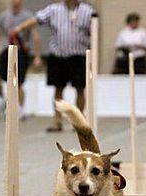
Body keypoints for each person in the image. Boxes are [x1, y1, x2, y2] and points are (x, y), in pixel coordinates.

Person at [11, 0, 96, 132]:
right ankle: (57, 120)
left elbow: (95, 31)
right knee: (58, 90)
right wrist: (19, 28)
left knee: (79, 89)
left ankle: (79, 122)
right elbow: (37, 19)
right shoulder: (54, 9)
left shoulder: (88, 11)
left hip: (78, 56)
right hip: (58, 56)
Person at [0, 0, 42, 118]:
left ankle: (21, 108)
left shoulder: (27, 16)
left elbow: (35, 35)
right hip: (7, 49)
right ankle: (3, 99)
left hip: (21, 51)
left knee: (17, 83)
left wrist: (37, 56)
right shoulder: (3, 16)